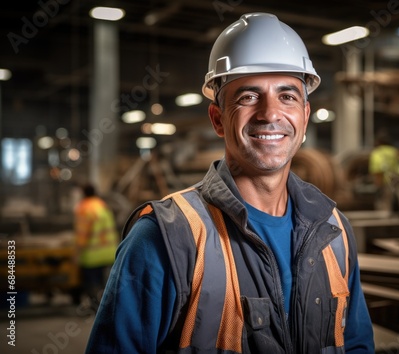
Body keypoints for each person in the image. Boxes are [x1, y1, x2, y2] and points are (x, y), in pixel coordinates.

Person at [86, 13, 374, 353]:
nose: (270, 113)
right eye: (249, 97)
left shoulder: (333, 230)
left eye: (287, 96)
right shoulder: (166, 238)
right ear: (218, 119)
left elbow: (355, 344)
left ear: (305, 116)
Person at [74, 183, 119, 310]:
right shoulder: (102, 206)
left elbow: (83, 234)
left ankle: (96, 309)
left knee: (91, 284)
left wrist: (76, 253)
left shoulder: (84, 208)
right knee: (105, 284)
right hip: (109, 253)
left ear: (83, 193)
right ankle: (105, 308)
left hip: (92, 256)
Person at [369, 131, 399, 214]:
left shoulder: (377, 153)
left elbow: (378, 171)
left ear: (378, 142)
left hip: (386, 183)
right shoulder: (395, 151)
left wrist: (378, 187)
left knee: (385, 205)